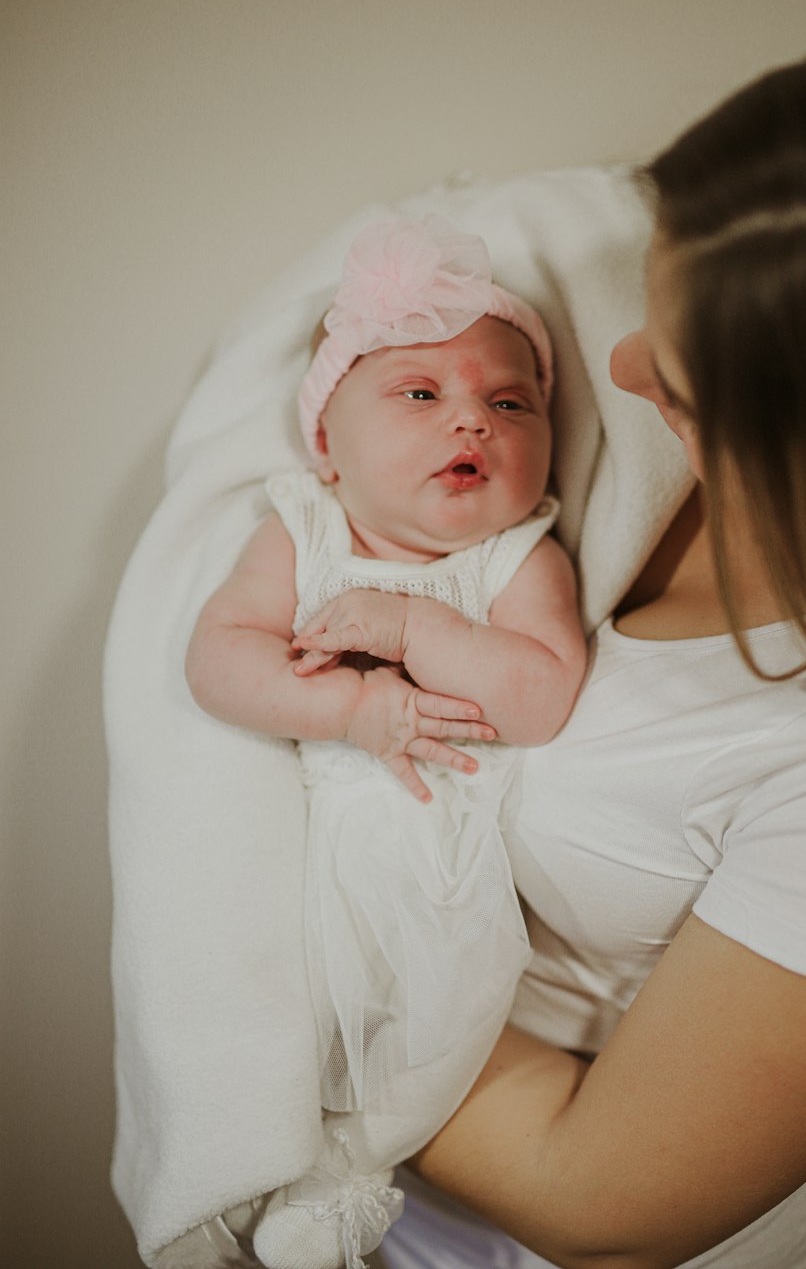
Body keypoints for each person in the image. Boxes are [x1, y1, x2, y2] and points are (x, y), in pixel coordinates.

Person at [369, 17, 806, 1269]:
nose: (616, 365)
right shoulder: (661, 441)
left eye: (686, 387)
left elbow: (586, 1196)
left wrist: (304, 970)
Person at [184, 214, 587, 1269]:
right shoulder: (303, 530)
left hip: (436, 848)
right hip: (297, 832)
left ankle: (348, 1174)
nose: (473, 421)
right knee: (241, 996)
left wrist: (418, 629)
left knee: (436, 1019)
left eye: (512, 401)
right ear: (327, 440)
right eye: (420, 392)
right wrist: (349, 710)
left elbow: (541, 697)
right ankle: (222, 1167)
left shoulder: (515, 555)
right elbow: (219, 658)